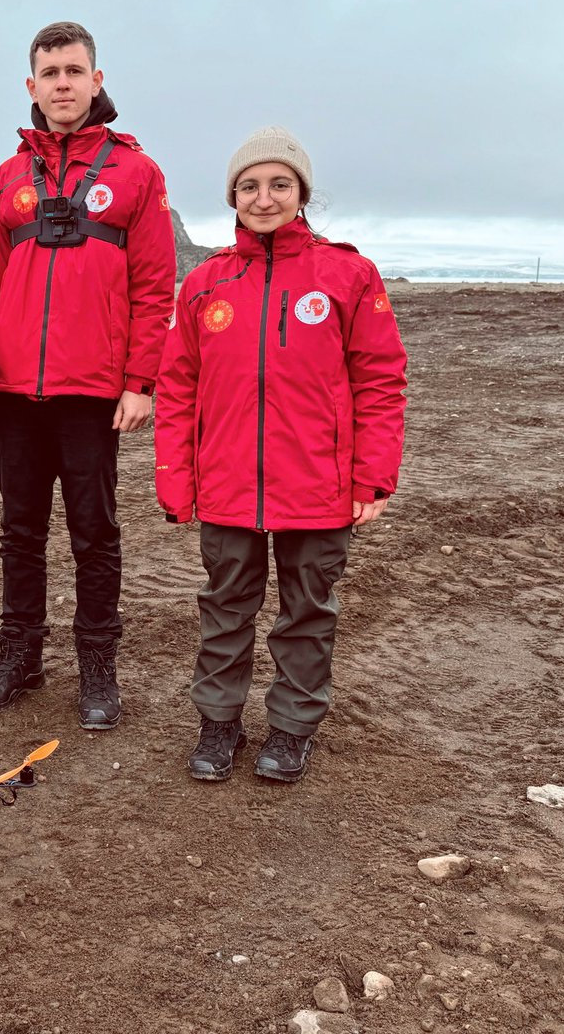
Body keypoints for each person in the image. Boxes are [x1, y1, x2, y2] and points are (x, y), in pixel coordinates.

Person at [155, 127, 407, 782]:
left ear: (301, 194)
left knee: (306, 613)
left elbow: (380, 378)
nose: (263, 198)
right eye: (249, 186)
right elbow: (178, 389)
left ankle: (293, 729)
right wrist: (176, 479)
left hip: (318, 487)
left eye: (279, 185)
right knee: (225, 606)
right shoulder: (206, 284)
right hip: (228, 484)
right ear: (232, 197)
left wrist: (372, 477)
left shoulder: (348, 275)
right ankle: (218, 724)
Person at [0, 21, 176, 729]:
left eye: (73, 71)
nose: (61, 84)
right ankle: (19, 659)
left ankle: (97, 672)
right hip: (20, 390)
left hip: (93, 392)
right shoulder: (7, 176)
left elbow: (154, 285)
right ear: (32, 85)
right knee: (20, 531)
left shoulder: (135, 172)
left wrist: (140, 380)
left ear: (97, 80)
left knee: (95, 532)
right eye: (49, 72)